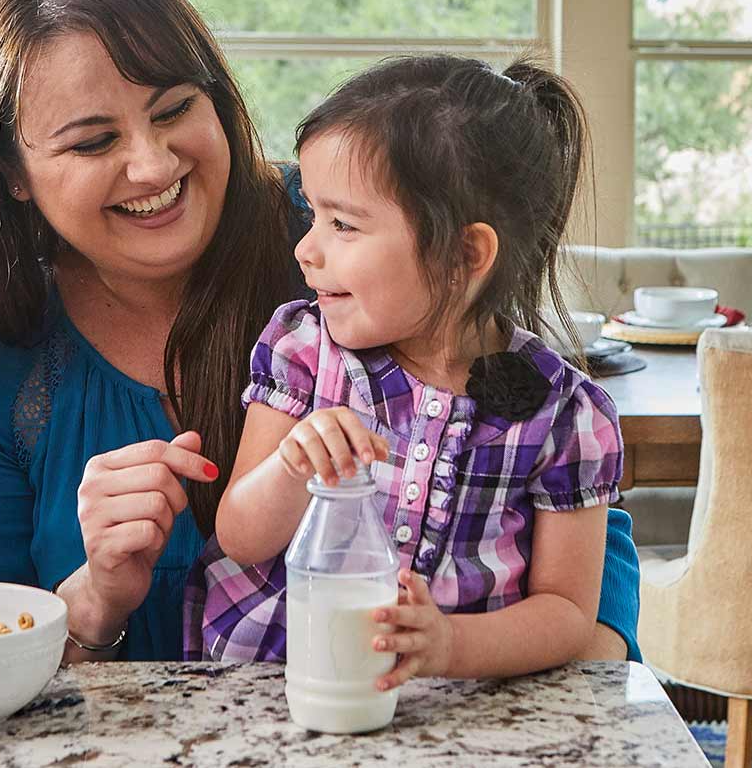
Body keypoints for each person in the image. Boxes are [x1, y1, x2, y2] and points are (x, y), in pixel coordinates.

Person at [0, 0, 641, 664]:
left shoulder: (344, 241)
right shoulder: (5, 361)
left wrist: (549, 653)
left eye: (174, 110)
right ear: (12, 172)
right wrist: (98, 597)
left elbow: (580, 550)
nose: (154, 164)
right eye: (95, 141)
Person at [196, 55, 621, 691]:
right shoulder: (303, 350)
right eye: (312, 214)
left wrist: (451, 643)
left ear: (464, 254)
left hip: (460, 711)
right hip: (283, 686)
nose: (305, 249)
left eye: (342, 224)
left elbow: (566, 613)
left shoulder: (566, 416)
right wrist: (290, 466)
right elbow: (240, 538)